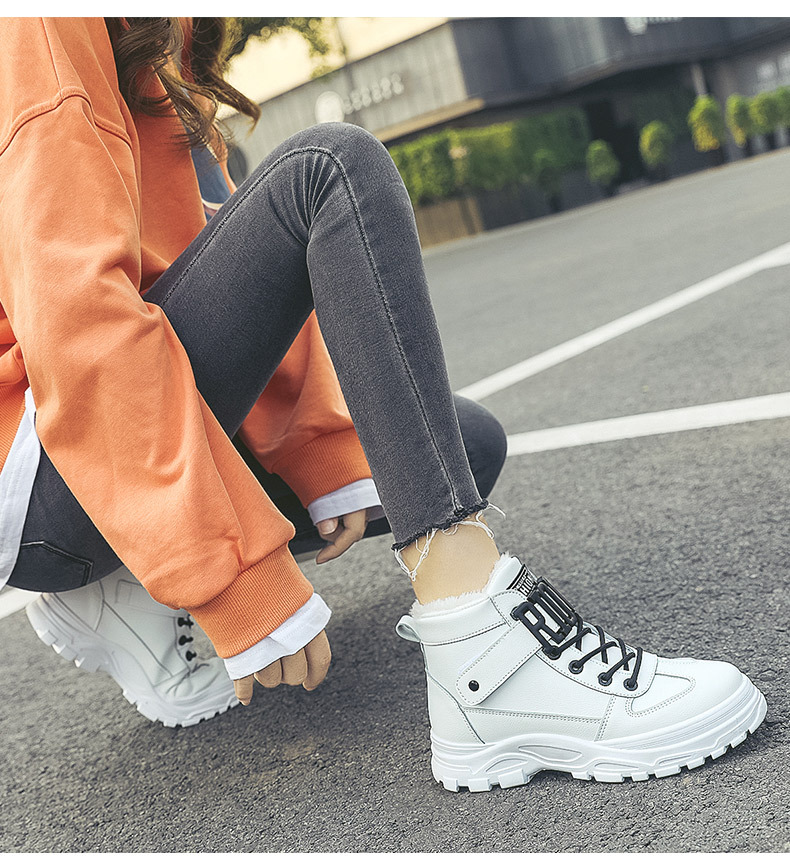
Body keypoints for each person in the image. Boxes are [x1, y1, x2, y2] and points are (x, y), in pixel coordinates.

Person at [0, 17, 765, 790]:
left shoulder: (160, 28)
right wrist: (231, 575)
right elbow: (81, 322)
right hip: (42, 473)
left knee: (459, 446)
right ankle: (483, 667)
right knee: (330, 168)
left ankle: (128, 579)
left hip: (114, 430)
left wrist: (321, 446)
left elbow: (217, 262)